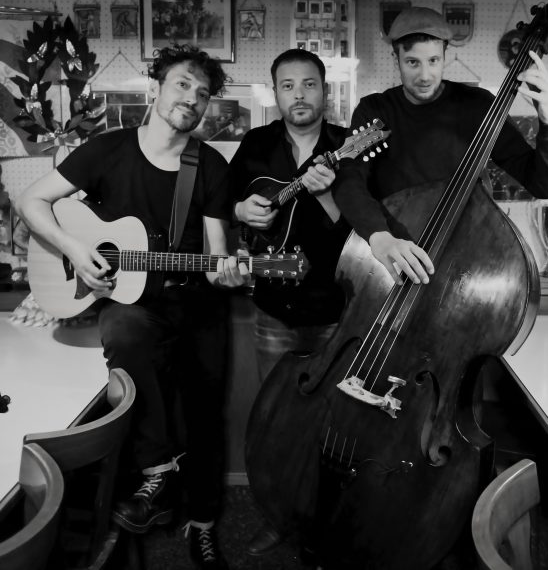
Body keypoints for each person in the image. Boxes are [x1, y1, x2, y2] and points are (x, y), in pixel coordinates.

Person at [16, 45, 248, 570]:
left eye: (202, 93)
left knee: (204, 413)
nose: (192, 99)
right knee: (123, 329)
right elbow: (32, 201)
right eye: (182, 84)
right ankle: (156, 470)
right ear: (156, 87)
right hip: (132, 303)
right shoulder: (107, 150)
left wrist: (230, 270)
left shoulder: (209, 165)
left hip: (196, 306)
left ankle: (203, 524)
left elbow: (216, 258)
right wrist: (75, 249)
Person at [332, 6, 548, 284]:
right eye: (412, 62)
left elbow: (543, 185)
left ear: (445, 55)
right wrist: (378, 236)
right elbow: (348, 179)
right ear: (396, 59)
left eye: (433, 60)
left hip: (467, 265)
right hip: (396, 265)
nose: (425, 75)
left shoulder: (478, 106)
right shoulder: (376, 112)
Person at [229, 48, 351, 555]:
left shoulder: (348, 145)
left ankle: (329, 527)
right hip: (273, 309)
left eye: (308, 84)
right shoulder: (256, 144)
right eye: (287, 85)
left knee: (334, 424)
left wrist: (325, 195)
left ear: (324, 90)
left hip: (337, 312)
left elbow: (365, 228)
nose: (298, 94)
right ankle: (278, 518)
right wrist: (242, 210)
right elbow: (225, 202)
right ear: (276, 93)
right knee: (276, 420)